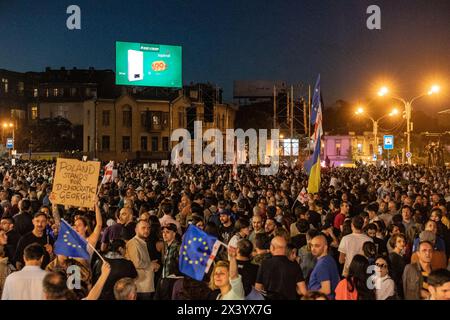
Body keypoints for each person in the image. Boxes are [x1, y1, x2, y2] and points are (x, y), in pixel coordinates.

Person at [126, 219, 160, 300]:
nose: (147, 230)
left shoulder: (142, 242)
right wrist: (151, 265)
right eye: (143, 228)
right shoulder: (133, 243)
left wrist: (150, 263)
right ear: (136, 229)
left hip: (145, 286)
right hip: (140, 287)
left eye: (148, 228)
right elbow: (136, 263)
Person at [308, 233, 340, 299]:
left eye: (317, 246)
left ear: (325, 247)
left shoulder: (322, 264)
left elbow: (326, 290)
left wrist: (308, 293)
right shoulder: (329, 258)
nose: (313, 249)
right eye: (311, 245)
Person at [154, 223, 181, 300]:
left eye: (168, 232)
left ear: (174, 234)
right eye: (163, 232)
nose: (164, 234)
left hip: (173, 281)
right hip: (165, 279)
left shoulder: (178, 247)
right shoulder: (167, 246)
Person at [389, 233, 407, 298]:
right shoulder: (393, 256)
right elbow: (394, 275)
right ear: (394, 243)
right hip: (397, 287)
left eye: (403, 241)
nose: (402, 243)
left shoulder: (402, 255)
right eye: (399, 241)